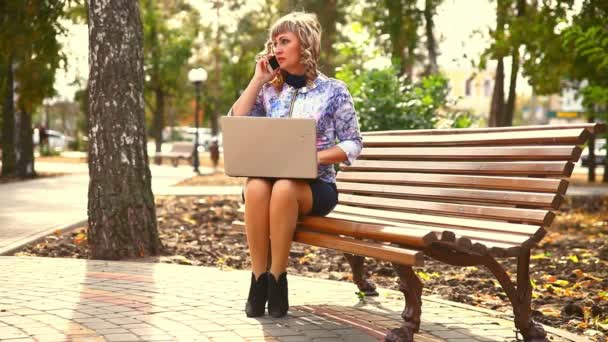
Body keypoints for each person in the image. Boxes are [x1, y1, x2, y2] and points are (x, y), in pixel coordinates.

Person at [228, 11, 363, 318]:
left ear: (305, 45)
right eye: (274, 42)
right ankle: (257, 278)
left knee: (285, 187)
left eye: (284, 41)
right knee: (257, 186)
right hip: (269, 180)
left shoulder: (333, 90)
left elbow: (353, 142)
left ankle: (278, 277)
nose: (276, 48)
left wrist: (314, 157)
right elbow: (236, 121)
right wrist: (258, 79)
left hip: (316, 185)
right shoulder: (269, 90)